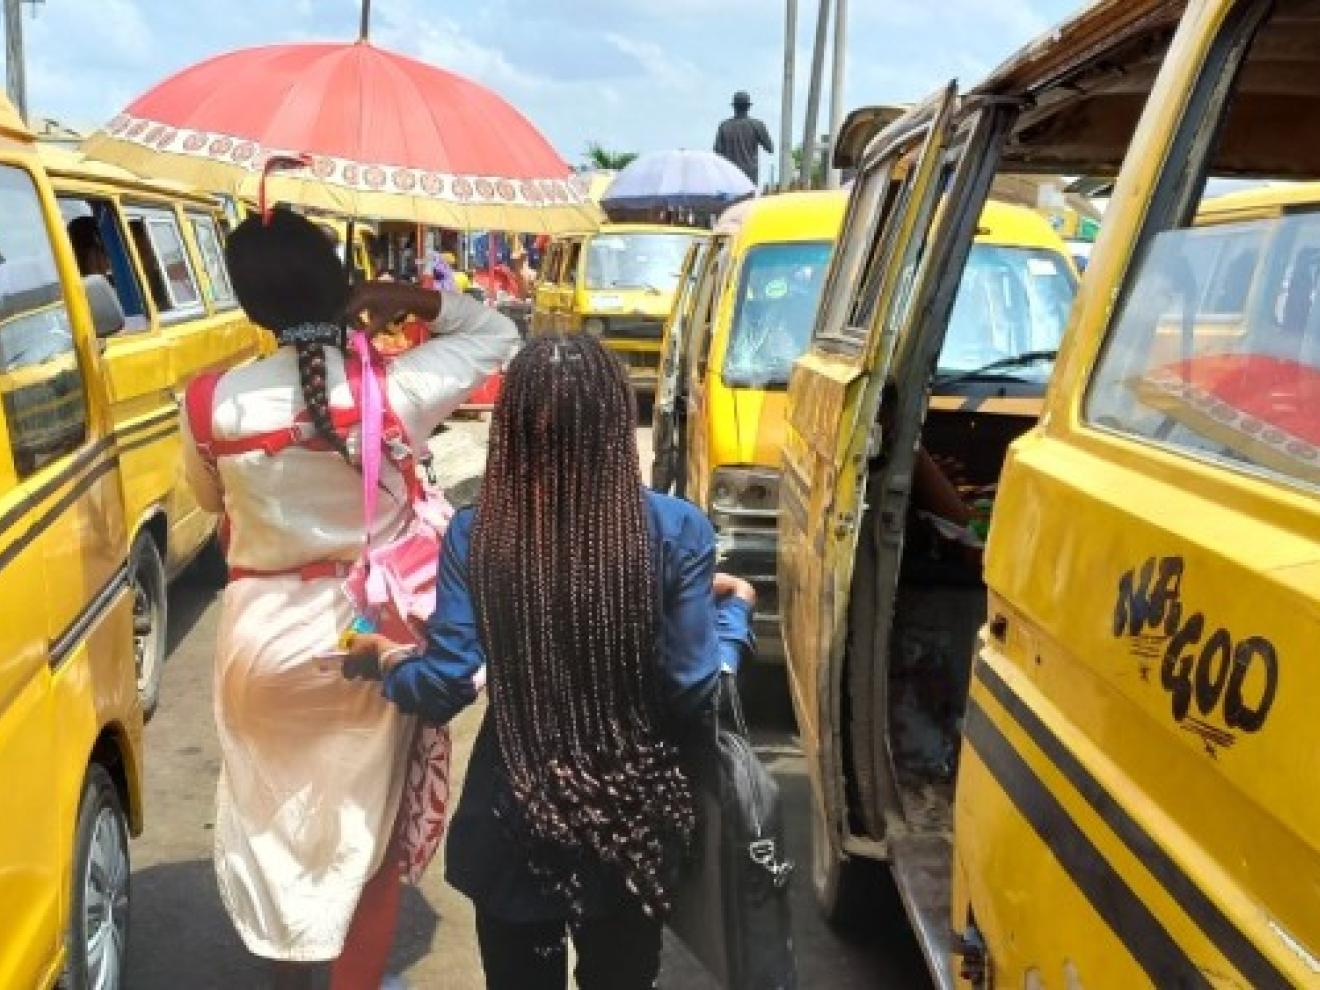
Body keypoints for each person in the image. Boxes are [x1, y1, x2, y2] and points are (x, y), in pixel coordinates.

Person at [343, 334, 757, 989]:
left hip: (515, 827)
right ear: (617, 424)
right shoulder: (676, 531)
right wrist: (731, 618)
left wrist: (386, 661)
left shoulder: (479, 534)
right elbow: (692, 689)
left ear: (511, 430)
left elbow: (446, 682)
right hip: (630, 829)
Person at [179, 209, 519, 990]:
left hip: (259, 635)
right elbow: (497, 334)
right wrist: (409, 295)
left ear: (247, 303)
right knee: (367, 826)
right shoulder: (394, 390)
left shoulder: (208, 404)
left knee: (268, 825)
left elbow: (208, 502)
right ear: (340, 284)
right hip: (362, 635)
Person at [714, 90, 774, 186]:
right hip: (750, 176)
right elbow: (770, 148)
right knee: (749, 200)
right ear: (748, 107)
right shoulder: (757, 125)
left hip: (729, 174)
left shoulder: (724, 126)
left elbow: (717, 153)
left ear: (734, 107)